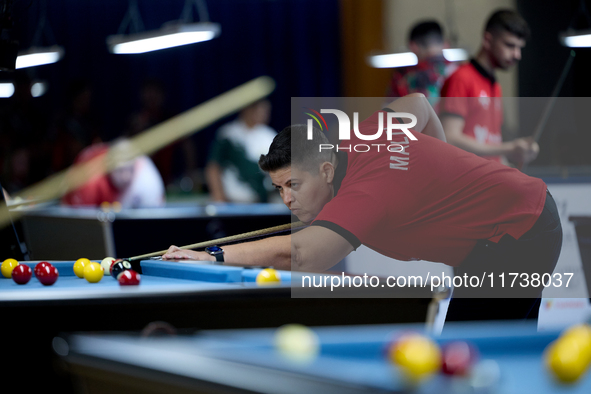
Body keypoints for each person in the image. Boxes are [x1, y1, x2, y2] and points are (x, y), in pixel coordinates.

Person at [163, 94, 562, 321]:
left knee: (470, 354)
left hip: (520, 230)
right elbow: (420, 104)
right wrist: (443, 171)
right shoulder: (365, 134)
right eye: (279, 187)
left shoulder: (362, 197)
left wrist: (211, 257)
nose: (287, 199)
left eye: (294, 185)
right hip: (509, 222)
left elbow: (301, 255)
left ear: (325, 169)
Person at [440, 9, 538, 166]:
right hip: (466, 181)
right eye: (509, 45)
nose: (517, 55)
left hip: (489, 178)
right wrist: (509, 148)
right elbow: (449, 137)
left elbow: (491, 143)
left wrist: (513, 158)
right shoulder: (461, 78)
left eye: (519, 48)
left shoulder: (495, 85)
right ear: (487, 40)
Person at [205, 99, 277, 203]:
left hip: (261, 203)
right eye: (260, 109)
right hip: (232, 203)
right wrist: (219, 198)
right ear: (247, 109)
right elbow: (213, 167)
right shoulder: (228, 135)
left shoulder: (270, 136)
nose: (264, 114)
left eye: (266, 110)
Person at [62, 140, 165, 208]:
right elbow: (78, 225)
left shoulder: (147, 180)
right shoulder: (89, 180)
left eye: (130, 170)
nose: (126, 177)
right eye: (120, 170)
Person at [386, 20, 455, 105]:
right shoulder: (460, 72)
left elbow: (389, 111)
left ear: (413, 46)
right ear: (446, 44)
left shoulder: (404, 77)